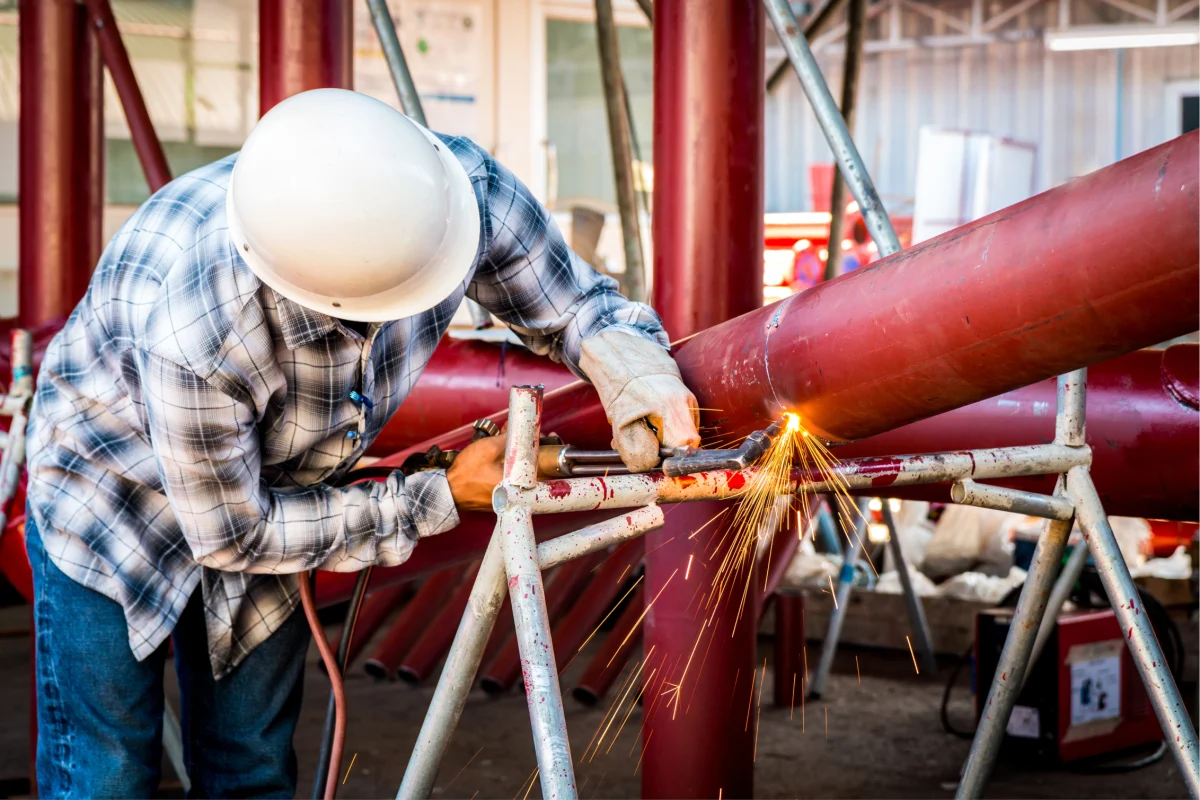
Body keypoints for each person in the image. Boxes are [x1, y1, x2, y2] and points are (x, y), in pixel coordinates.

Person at [24, 88, 700, 798]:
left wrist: (632, 365)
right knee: (107, 774)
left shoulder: (452, 196)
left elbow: (573, 307)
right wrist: (434, 498)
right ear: (307, 295)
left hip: (280, 491)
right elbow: (238, 537)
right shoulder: (200, 328)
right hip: (110, 498)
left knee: (249, 767)